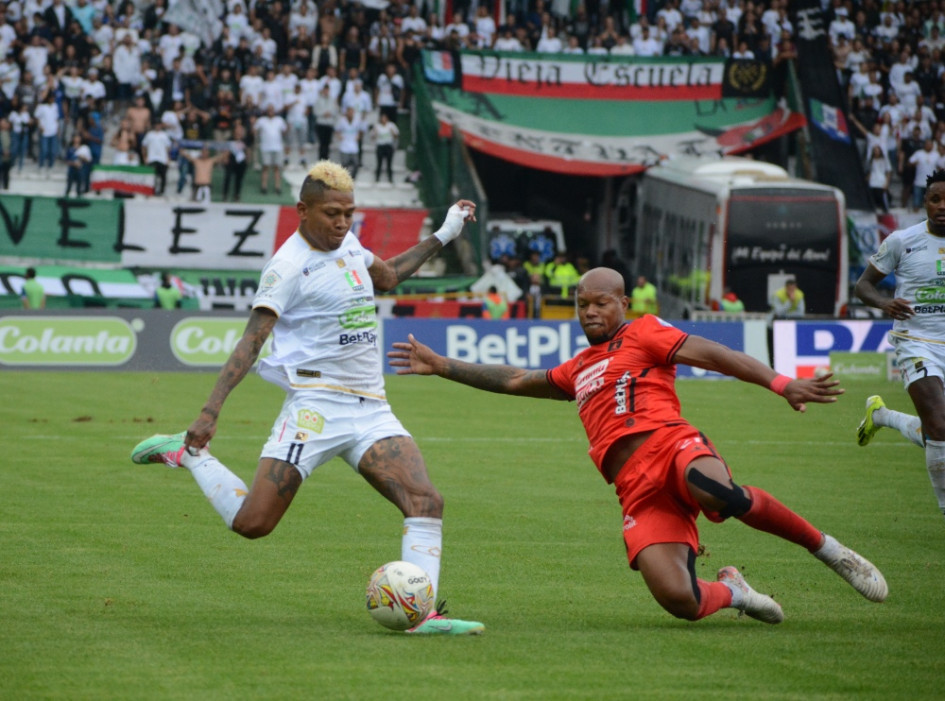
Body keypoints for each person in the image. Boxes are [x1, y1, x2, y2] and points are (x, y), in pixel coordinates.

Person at [389, 268, 888, 624]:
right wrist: (442, 365)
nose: (590, 312)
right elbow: (516, 379)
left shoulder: (646, 333)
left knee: (718, 493)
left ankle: (829, 550)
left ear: (623, 303)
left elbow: (717, 354)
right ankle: (735, 592)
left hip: (672, 447)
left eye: (601, 303)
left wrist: (782, 384)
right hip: (635, 489)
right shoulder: (577, 368)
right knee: (681, 601)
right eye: (582, 304)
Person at [130, 160, 484, 635]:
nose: (342, 223)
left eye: (349, 214)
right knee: (253, 523)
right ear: (302, 210)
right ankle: (191, 455)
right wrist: (209, 412)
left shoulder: (349, 244)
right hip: (314, 406)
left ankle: (421, 617)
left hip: (370, 407)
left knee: (426, 501)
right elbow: (252, 341)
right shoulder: (287, 266)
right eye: (332, 214)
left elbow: (388, 276)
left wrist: (446, 232)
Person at [854, 168, 945, 519]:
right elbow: (863, 285)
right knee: (939, 424)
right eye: (935, 199)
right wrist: (884, 303)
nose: (941, 205)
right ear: (924, 203)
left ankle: (882, 416)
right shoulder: (901, 241)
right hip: (916, 342)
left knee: (937, 431)